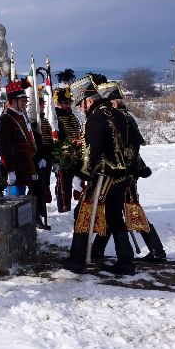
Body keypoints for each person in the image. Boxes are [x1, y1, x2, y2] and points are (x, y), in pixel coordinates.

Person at [65, 75, 139, 275]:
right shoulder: (119, 114)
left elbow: (92, 151)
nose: (81, 109)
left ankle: (77, 259)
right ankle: (126, 260)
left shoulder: (97, 118)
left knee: (83, 213)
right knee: (115, 217)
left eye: (81, 104)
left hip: (104, 176)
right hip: (122, 176)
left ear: (89, 100)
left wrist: (81, 174)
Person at [90, 81, 165, 261]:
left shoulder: (120, 117)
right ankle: (96, 249)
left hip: (124, 173)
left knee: (130, 212)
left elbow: (130, 148)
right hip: (127, 172)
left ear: (113, 102)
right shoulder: (125, 116)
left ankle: (156, 250)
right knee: (112, 212)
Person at [0, 79, 37, 197]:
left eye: (25, 100)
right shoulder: (6, 118)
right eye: (22, 100)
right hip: (14, 167)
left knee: (22, 203)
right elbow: (4, 147)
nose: (24, 103)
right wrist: (10, 169)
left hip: (23, 167)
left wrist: (32, 168)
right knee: (14, 203)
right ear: (13, 101)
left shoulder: (20, 117)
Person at [53, 87, 82, 212]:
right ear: (58, 103)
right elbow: (57, 137)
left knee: (78, 183)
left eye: (69, 102)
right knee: (64, 185)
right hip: (64, 155)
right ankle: (64, 209)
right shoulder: (56, 117)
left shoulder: (71, 116)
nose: (68, 105)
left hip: (77, 153)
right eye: (65, 103)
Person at [32, 89, 54, 230]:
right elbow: (34, 143)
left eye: (42, 103)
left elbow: (48, 139)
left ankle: (39, 215)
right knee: (36, 190)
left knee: (43, 188)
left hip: (46, 158)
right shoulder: (34, 122)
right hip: (37, 159)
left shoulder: (43, 119)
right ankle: (36, 216)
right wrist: (39, 157)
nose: (42, 106)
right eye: (39, 103)